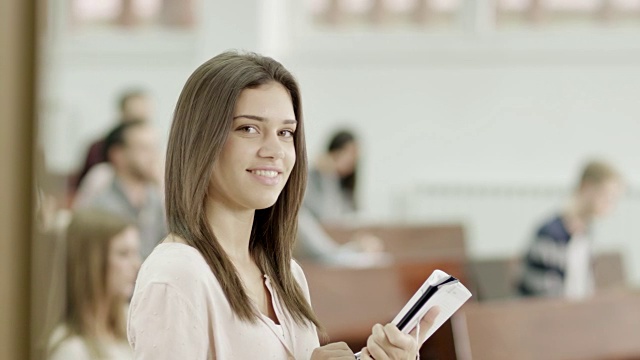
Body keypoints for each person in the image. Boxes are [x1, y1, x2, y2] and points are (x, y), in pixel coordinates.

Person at [127, 51, 439, 359]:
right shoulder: (177, 276)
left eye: (285, 132)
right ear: (201, 140)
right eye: (249, 128)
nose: (275, 150)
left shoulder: (286, 274)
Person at [516, 160, 624, 299]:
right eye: (606, 196)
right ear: (587, 187)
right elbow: (543, 297)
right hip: (544, 315)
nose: (610, 204)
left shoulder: (584, 233)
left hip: (573, 313)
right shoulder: (551, 234)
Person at [47, 209, 141, 360]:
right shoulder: (71, 350)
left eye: (135, 252)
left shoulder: (131, 323)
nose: (136, 264)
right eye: (123, 254)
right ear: (92, 263)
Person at [75, 120, 166, 259]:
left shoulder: (155, 199)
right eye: (144, 148)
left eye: (155, 148)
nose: (153, 156)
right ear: (118, 155)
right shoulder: (102, 206)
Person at [72, 89, 153, 193]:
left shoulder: (157, 164)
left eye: (143, 119)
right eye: (134, 118)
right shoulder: (99, 151)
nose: (138, 124)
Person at [305, 129, 359, 222]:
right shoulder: (312, 178)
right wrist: (328, 176)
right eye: (350, 153)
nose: (354, 160)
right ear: (334, 153)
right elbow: (327, 215)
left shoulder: (345, 183)